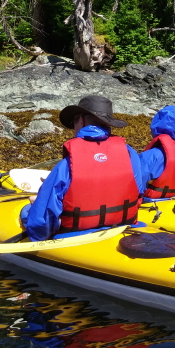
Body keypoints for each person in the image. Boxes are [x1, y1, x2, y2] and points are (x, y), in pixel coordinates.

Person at [23, 95, 143, 242]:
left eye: (74, 122)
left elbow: (41, 222)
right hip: (124, 228)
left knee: (26, 211)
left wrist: (36, 231)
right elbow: (139, 191)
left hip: (75, 236)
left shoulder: (66, 164)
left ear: (80, 120)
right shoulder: (130, 154)